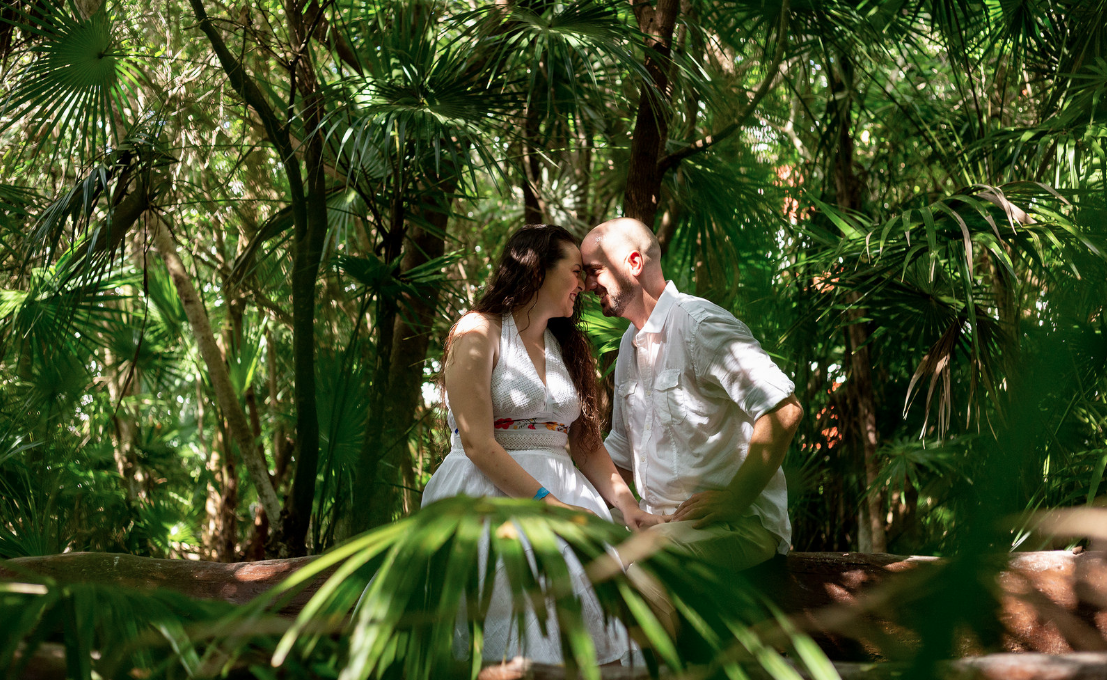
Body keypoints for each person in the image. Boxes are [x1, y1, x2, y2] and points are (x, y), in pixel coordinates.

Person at [421, 224, 664, 665]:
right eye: (575, 272)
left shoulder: (567, 346)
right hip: (488, 495)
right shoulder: (478, 331)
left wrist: (627, 507)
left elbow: (585, 444)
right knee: (524, 595)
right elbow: (477, 443)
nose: (585, 285)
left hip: (564, 493)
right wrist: (548, 507)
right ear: (537, 271)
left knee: (601, 596)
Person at [580, 217, 804, 579]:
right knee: (572, 550)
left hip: (737, 525)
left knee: (641, 567)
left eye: (594, 270)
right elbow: (620, 449)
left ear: (633, 263)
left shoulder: (700, 324)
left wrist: (735, 500)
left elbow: (784, 410)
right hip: (658, 524)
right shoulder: (628, 345)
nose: (588, 285)